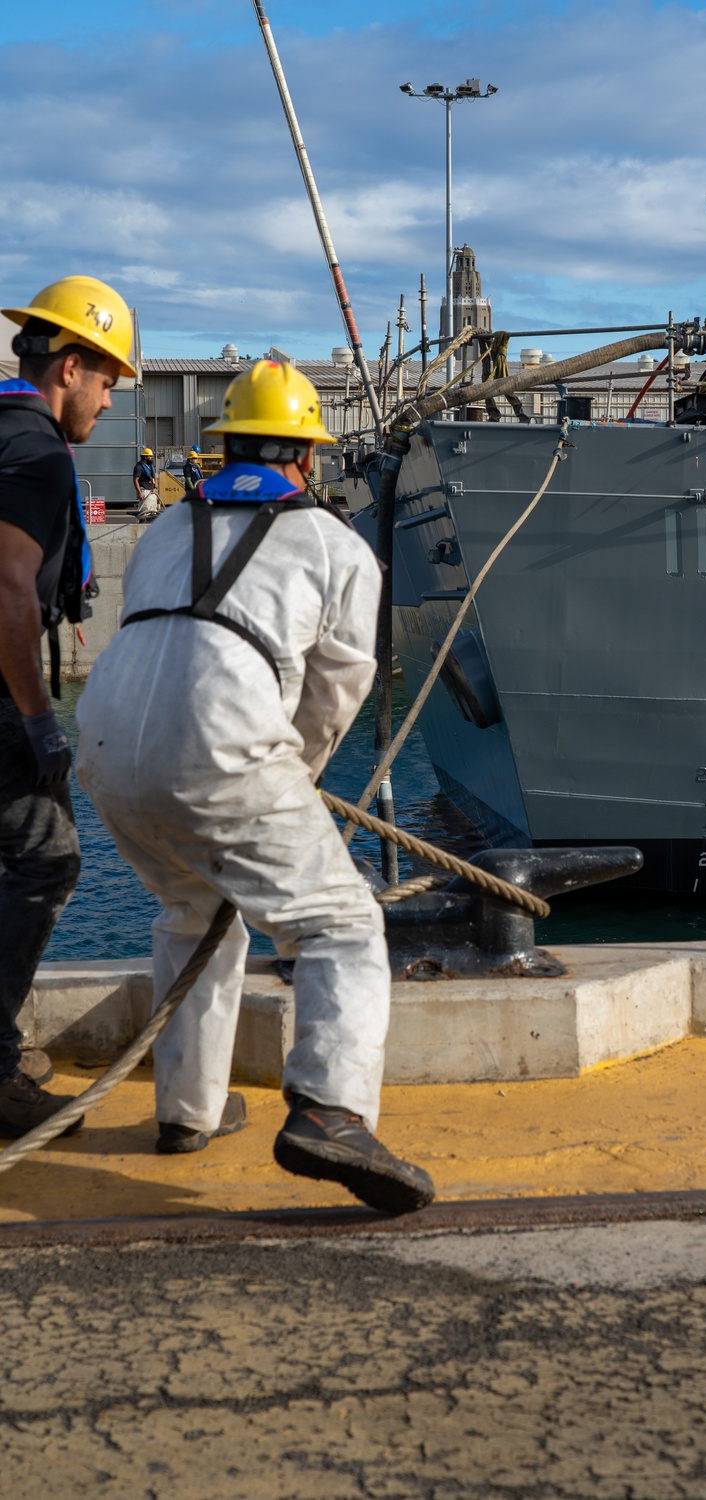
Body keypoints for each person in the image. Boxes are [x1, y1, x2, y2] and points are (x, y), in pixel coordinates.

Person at [76, 360, 434, 1214]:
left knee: (192, 912)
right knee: (341, 927)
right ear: (306, 460)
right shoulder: (335, 546)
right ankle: (330, 1110)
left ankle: (187, 1111)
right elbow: (335, 693)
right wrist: (292, 786)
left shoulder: (165, 528)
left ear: (226, 446)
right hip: (223, 742)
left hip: (105, 739)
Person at [0, 274, 136, 1136]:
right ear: (71, 366)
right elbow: (9, 589)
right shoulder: (37, 452)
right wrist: (40, 718)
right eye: (109, 382)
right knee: (45, 862)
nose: (109, 402)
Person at [133, 446, 159, 521]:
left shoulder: (151, 466)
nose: (151, 458)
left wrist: (155, 487)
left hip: (152, 492)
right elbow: (135, 480)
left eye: (152, 456)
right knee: (144, 513)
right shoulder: (138, 467)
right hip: (144, 491)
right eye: (150, 456)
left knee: (153, 514)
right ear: (145, 457)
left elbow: (155, 477)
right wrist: (139, 492)